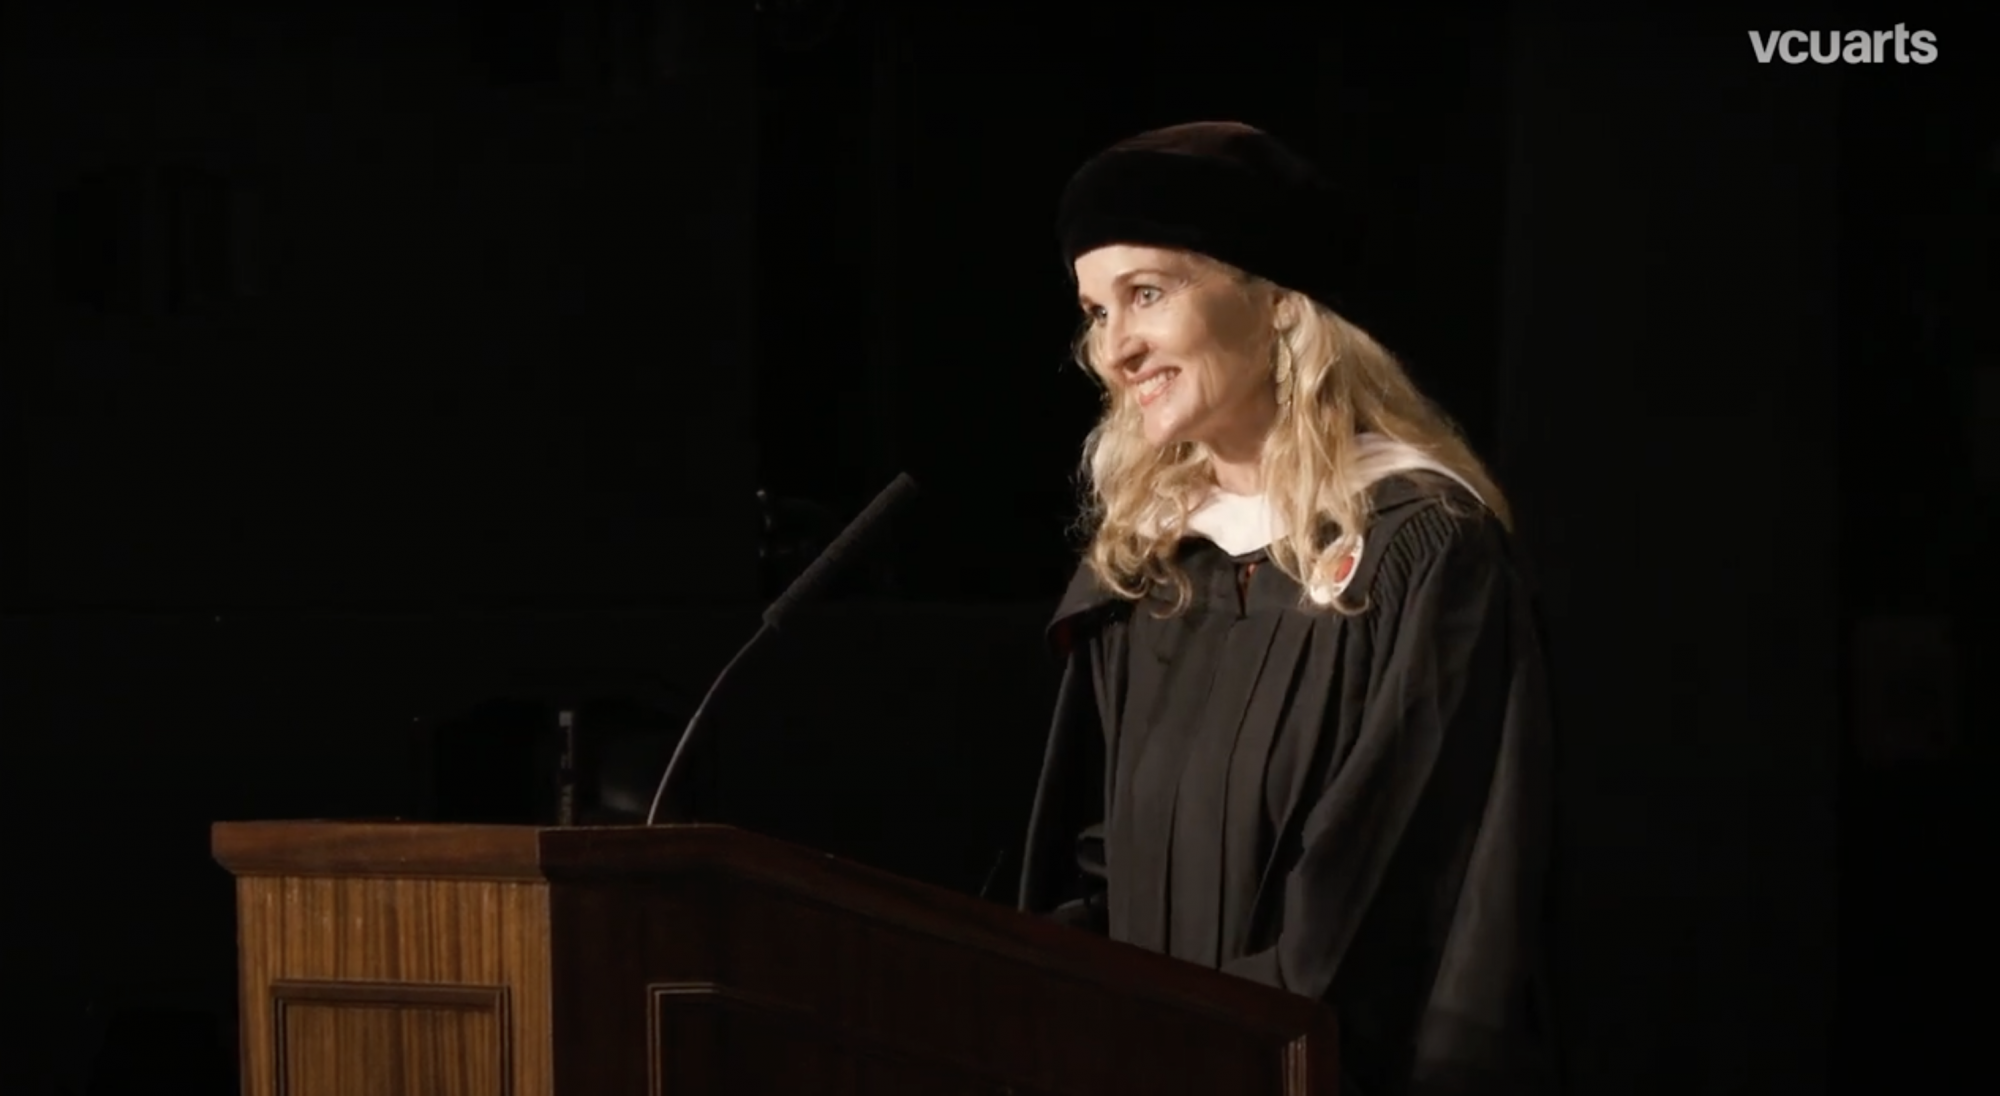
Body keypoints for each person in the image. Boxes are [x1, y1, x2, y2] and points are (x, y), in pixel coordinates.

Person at [1016, 121, 1561, 1096]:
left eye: (1146, 294)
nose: (1114, 348)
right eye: (1095, 311)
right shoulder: (1146, 572)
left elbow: (1387, 914)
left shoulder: (1417, 548)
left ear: (1274, 301)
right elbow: (1087, 877)